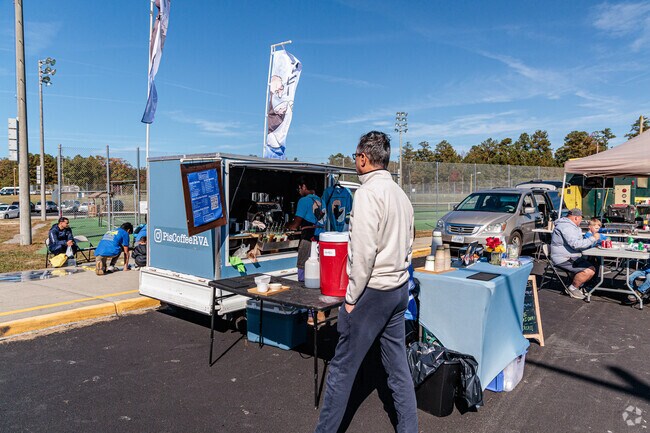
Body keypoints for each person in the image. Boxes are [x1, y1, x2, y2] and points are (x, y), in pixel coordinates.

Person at [314, 131, 418, 433]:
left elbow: (363, 254)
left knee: (342, 370)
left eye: (355, 156)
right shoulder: (401, 195)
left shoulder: (368, 194)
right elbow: (409, 246)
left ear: (363, 158)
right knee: (398, 370)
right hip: (398, 289)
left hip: (372, 292)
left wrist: (350, 299)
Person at [550, 208, 599, 299]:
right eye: (581, 218)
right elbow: (575, 244)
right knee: (589, 271)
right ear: (576, 218)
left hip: (571, 256)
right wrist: (593, 239)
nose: (581, 221)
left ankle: (578, 285)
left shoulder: (571, 226)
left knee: (593, 266)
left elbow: (578, 243)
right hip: (563, 258)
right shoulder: (566, 227)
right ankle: (572, 288)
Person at [285, 176, 325, 282]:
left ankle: (301, 288)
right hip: (321, 240)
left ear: (304, 186)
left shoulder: (303, 201)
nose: (299, 191)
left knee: (303, 266)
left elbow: (295, 225)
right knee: (317, 268)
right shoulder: (322, 200)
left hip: (308, 239)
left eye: (299, 188)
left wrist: (287, 226)